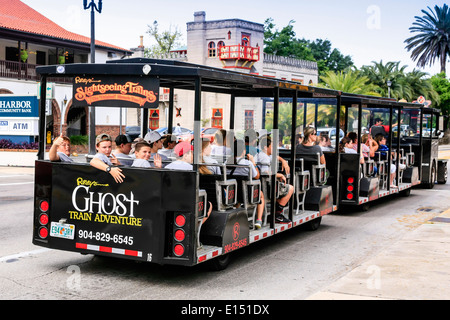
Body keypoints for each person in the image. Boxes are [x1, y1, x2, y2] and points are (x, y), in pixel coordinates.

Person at [230, 140, 272, 228]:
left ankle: (237, 217)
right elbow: (257, 176)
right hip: (246, 195)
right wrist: (253, 162)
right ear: (244, 151)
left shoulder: (227, 162)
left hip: (232, 194)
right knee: (260, 194)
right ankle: (259, 220)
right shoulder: (247, 163)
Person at [256, 135, 294, 227]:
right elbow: (265, 172)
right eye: (272, 146)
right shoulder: (264, 158)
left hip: (264, 185)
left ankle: (275, 212)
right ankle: (277, 214)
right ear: (266, 147)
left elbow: (275, 157)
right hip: (268, 187)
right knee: (291, 188)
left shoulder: (261, 155)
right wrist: (279, 175)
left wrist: (283, 160)